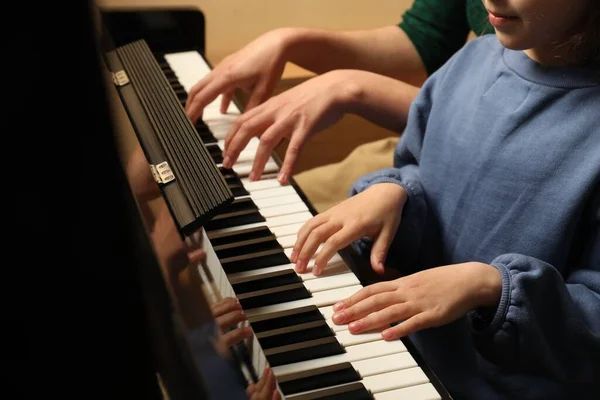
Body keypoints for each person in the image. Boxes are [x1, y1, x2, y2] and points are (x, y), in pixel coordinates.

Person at [291, 0, 600, 398]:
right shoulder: (471, 60)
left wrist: (489, 286)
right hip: (395, 359)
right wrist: (395, 192)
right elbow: (422, 167)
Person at [184, 0, 493, 211]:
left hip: (483, 176)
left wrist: (350, 89)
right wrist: (290, 41)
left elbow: (511, 125)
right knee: (236, 204)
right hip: (426, 146)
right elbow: (424, 42)